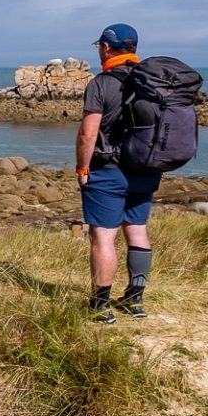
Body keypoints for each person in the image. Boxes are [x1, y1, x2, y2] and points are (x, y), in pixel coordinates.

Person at [75, 23, 158, 324]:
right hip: (146, 169)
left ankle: (100, 306)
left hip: (108, 171)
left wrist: (83, 168)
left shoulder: (102, 83)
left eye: (99, 46)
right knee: (137, 230)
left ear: (106, 48)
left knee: (103, 237)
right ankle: (135, 300)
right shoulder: (152, 82)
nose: (99, 50)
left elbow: (88, 134)